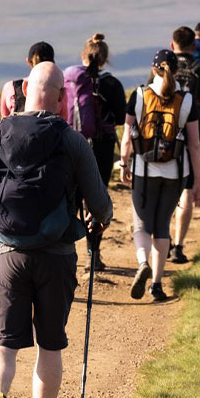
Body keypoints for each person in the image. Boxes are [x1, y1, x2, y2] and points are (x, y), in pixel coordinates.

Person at [0, 62, 113, 398]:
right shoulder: (73, 140)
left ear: (26, 88)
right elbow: (100, 204)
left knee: (2, 342)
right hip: (57, 256)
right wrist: (100, 218)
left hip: (8, 255)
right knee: (50, 344)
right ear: (62, 97)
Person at [119, 50, 200, 302]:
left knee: (142, 225)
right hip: (176, 173)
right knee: (162, 227)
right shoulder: (187, 101)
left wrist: (124, 164)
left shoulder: (138, 95)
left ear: (153, 69)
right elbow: (195, 145)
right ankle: (156, 285)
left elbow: (127, 136)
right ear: (176, 71)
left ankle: (142, 262)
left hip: (143, 171)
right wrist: (198, 182)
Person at [63, 33, 125, 270]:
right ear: (105, 58)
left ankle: (66, 250)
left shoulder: (72, 81)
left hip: (72, 143)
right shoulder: (112, 84)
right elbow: (120, 117)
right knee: (96, 199)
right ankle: (94, 252)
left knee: (72, 196)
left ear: (83, 55)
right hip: (102, 145)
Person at [167, 27, 200, 265]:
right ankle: (178, 246)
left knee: (165, 187)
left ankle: (161, 239)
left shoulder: (163, 68)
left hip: (164, 137)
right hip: (194, 136)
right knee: (187, 189)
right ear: (194, 47)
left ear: (172, 44)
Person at [0, 41, 56, 118]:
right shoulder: (58, 86)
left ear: (28, 61)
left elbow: (4, 118)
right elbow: (64, 118)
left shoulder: (10, 87)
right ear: (52, 61)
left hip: (15, 129)